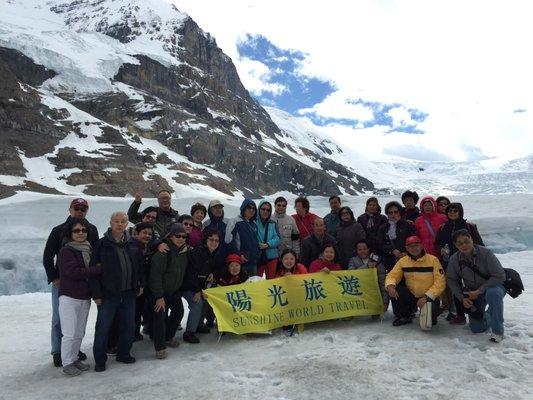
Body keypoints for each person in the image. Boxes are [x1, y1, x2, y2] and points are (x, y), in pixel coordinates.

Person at [43, 198, 99, 367]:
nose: (80, 210)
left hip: (84, 282)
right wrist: (54, 278)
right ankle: (58, 351)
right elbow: (47, 257)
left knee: (77, 322)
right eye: (77, 207)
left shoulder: (92, 230)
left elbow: (95, 254)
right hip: (63, 282)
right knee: (59, 318)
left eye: (84, 208)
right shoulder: (58, 230)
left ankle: (73, 352)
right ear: (70, 209)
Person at [90, 212, 143, 372]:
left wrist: (140, 283)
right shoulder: (101, 244)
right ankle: (100, 360)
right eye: (116, 221)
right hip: (108, 294)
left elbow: (139, 267)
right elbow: (94, 272)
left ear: (127, 224)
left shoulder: (133, 243)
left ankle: (124, 353)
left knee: (128, 325)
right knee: (103, 327)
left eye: (123, 222)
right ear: (110, 223)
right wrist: (97, 294)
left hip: (129, 292)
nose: (120, 224)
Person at [57, 218, 101, 376]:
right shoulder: (66, 251)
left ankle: (74, 358)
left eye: (83, 230)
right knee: (69, 332)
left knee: (79, 332)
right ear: (70, 233)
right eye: (77, 230)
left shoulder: (88, 249)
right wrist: (96, 270)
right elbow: (74, 272)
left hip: (84, 296)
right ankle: (67, 363)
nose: (81, 233)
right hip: (69, 296)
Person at [446, 229, 506, 343]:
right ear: (455, 245)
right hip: (473, 293)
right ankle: (492, 314)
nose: (464, 245)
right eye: (460, 243)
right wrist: (462, 298)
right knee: (477, 328)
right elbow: (451, 279)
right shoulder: (455, 259)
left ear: (472, 240)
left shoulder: (486, 253)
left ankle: (498, 331)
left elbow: (500, 276)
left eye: (466, 241)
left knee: (493, 293)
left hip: (493, 287)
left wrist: (480, 290)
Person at [149, 223, 195, 359]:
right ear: (170, 236)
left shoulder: (185, 251)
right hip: (159, 292)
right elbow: (155, 276)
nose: (181, 238)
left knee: (178, 312)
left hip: (174, 291)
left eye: (184, 236)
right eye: (178, 236)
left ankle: (168, 337)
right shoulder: (163, 252)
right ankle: (160, 347)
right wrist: (159, 296)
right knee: (160, 318)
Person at [435, 202, 485, 324]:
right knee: (455, 286)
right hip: (450, 262)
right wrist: (441, 248)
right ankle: (460, 314)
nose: (452, 213)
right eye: (450, 211)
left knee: (470, 286)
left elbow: (479, 244)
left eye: (455, 211)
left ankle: (476, 310)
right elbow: (437, 242)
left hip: (469, 263)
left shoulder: (469, 227)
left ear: (460, 212)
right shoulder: (443, 227)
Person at [385, 236, 446, 328]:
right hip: (412, 295)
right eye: (410, 246)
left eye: (416, 245)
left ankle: (433, 313)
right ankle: (405, 315)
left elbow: (440, 282)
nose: (414, 248)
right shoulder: (403, 261)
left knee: (427, 325)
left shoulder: (433, 260)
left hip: (429, 296)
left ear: (421, 245)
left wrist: (427, 297)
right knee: (396, 289)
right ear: (406, 248)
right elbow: (392, 275)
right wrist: (390, 286)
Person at [186, 229, 220, 334]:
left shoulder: (211, 253)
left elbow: (214, 267)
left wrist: (213, 273)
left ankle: (199, 325)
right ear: (205, 240)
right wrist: (197, 291)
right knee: (198, 302)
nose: (214, 242)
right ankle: (189, 332)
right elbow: (191, 273)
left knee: (206, 299)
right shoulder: (198, 252)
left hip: (198, 286)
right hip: (187, 286)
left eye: (216, 240)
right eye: (211, 240)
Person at [347, 240, 388, 312]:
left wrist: (385, 302)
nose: (362, 251)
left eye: (364, 249)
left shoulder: (377, 262)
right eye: (360, 249)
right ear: (356, 250)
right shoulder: (353, 260)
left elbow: (382, 283)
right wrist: (367, 266)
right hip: (359, 294)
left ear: (368, 249)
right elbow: (351, 275)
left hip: (374, 294)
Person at [376, 201, 417, 272]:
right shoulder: (383, 228)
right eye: (390, 212)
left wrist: (406, 252)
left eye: (396, 212)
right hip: (389, 262)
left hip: (407, 259)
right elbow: (379, 244)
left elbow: (414, 241)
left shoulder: (407, 225)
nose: (393, 214)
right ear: (387, 214)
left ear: (400, 212)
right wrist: (392, 250)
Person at [131, 222, 155, 341]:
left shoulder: (147, 247)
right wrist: (139, 284)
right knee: (134, 312)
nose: (147, 236)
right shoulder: (133, 247)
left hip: (143, 285)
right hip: (135, 286)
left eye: (150, 234)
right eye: (144, 233)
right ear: (136, 234)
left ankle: (136, 332)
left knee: (139, 309)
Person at [225, 199, 260, 275]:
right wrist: (238, 254)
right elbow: (228, 241)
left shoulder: (254, 224)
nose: (251, 210)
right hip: (240, 262)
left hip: (253, 261)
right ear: (243, 208)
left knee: (253, 284)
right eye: (249, 207)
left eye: (253, 208)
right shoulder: (234, 221)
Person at [256, 200, 281, 279]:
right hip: (257, 256)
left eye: (268, 210)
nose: (265, 211)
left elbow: (278, 238)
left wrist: (268, 244)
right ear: (259, 209)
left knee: (271, 280)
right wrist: (257, 244)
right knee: (257, 280)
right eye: (263, 209)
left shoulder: (273, 223)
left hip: (271, 256)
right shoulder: (253, 222)